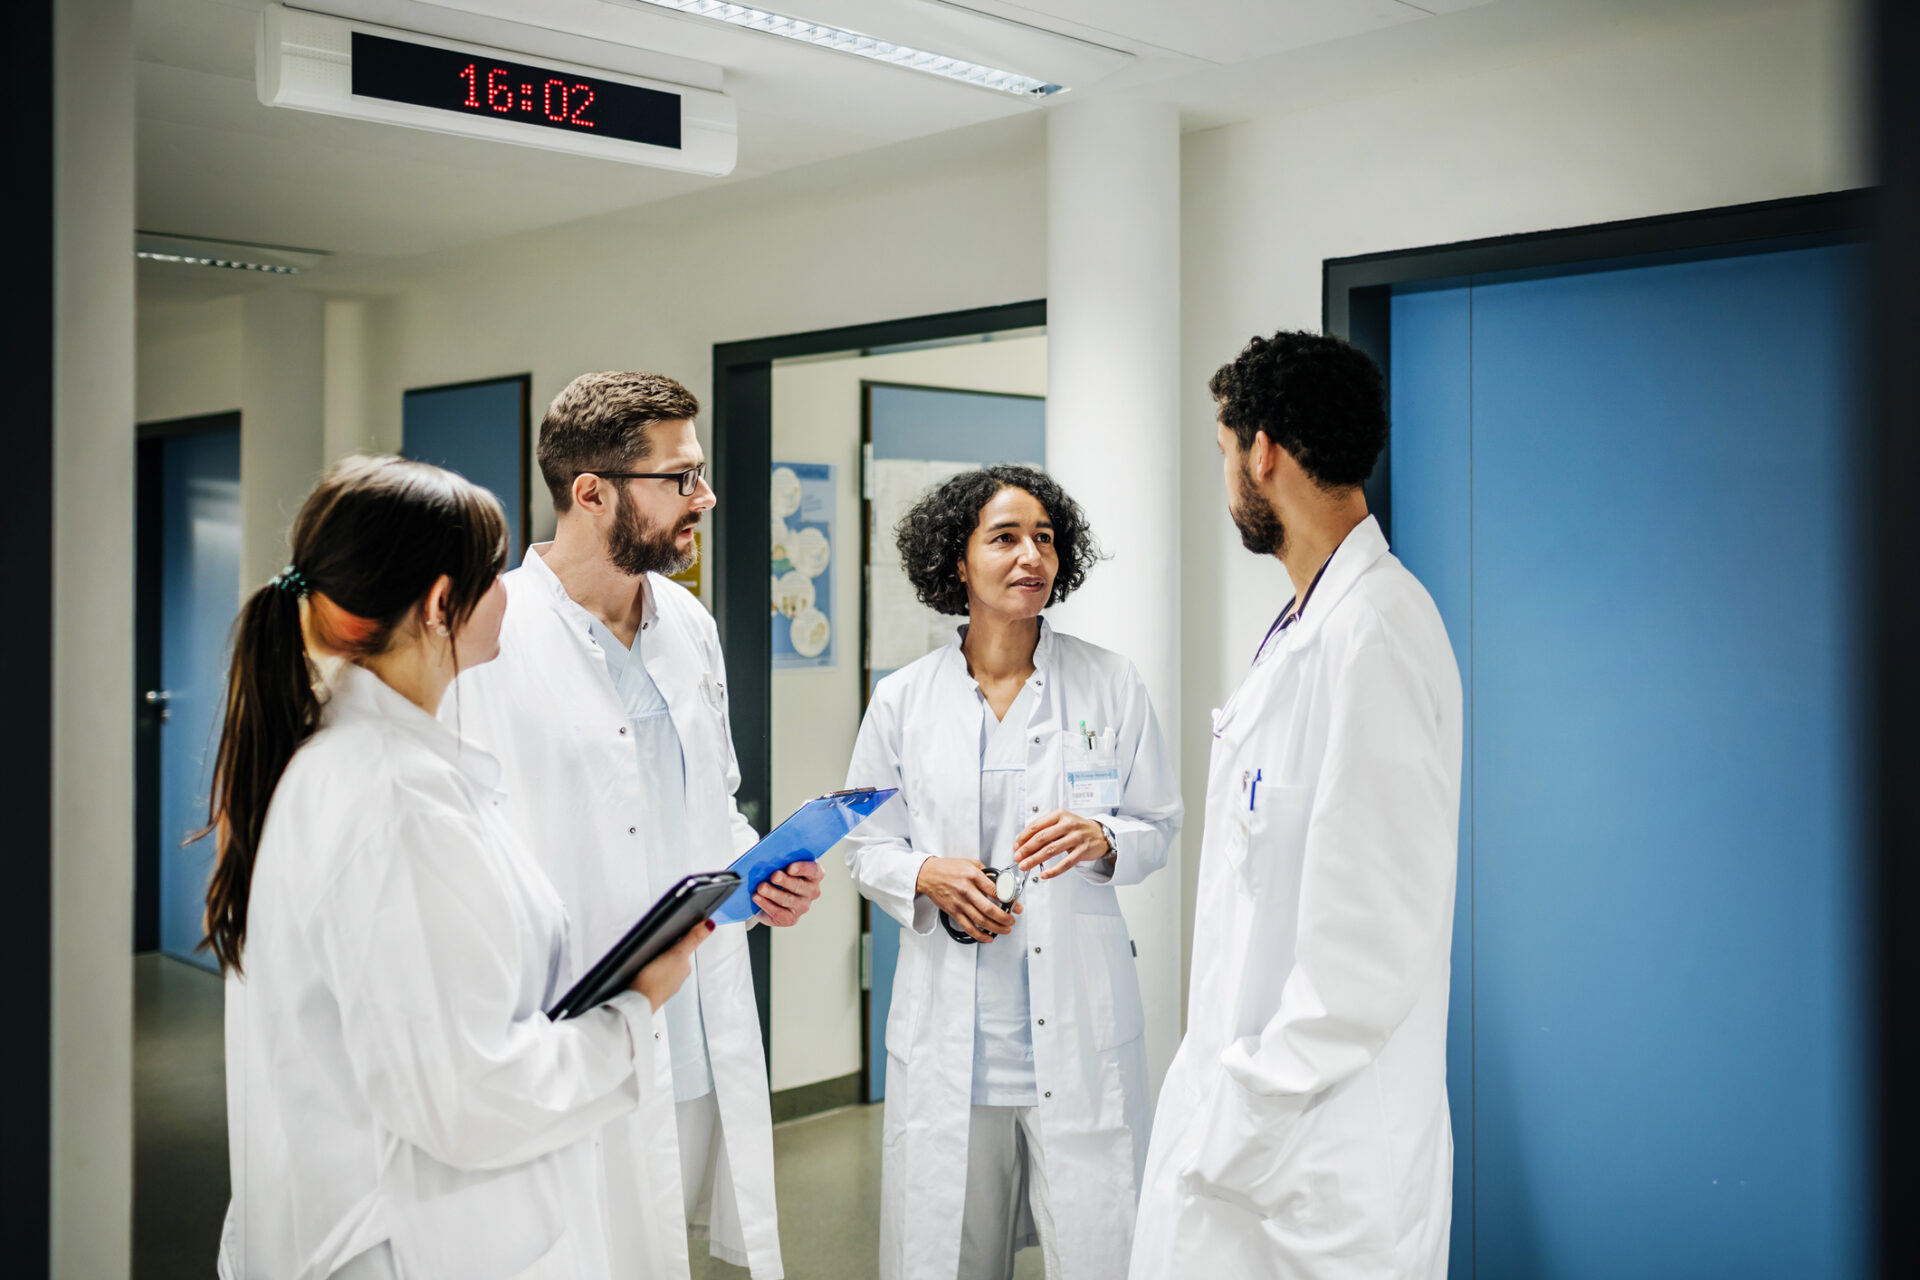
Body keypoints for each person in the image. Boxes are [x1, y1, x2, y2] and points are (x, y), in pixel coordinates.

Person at [206, 455, 710, 1280]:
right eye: (495, 573)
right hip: (404, 1244)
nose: (512, 590)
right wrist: (632, 1009)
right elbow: (465, 1099)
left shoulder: (365, 763)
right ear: (443, 605)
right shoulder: (393, 798)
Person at [448, 371, 821, 1280]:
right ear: (592, 492)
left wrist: (762, 873)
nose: (707, 495)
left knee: (660, 1239)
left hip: (689, 1012)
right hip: (562, 1020)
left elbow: (711, 803)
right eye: (681, 478)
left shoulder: (687, 622)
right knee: (580, 1248)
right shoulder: (490, 634)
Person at [1129, 332, 1463, 1279]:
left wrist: (1238, 1121)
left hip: (1317, 1161)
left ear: (1263, 451)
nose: (1228, 474)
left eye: (1226, 450)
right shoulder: (1309, 627)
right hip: (1268, 1144)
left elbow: (1368, 949)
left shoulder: (1375, 636)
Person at [844, 464, 1183, 1280]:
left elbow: (1158, 825)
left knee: (1098, 1247)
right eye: (1004, 538)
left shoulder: (1109, 681)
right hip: (952, 1040)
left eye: (1045, 538)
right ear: (956, 563)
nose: (1031, 555)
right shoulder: (904, 700)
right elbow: (865, 845)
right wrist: (926, 873)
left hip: (1077, 1024)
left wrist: (1102, 837)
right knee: (948, 1255)